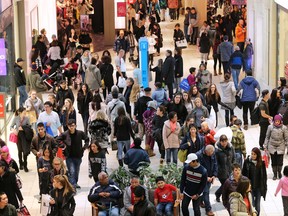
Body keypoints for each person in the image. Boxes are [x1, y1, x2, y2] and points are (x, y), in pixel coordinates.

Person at [56, 119, 89, 189]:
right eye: (70, 126)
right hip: (69, 156)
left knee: (76, 171)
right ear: (68, 126)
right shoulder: (65, 134)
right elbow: (57, 140)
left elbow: (87, 139)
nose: (71, 127)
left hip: (78, 155)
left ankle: (75, 183)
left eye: (73, 126)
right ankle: (72, 186)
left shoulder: (80, 133)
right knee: (72, 171)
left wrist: (84, 147)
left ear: (75, 126)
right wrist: (63, 146)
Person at [242, 147, 267, 215]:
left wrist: (264, 187)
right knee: (252, 205)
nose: (252, 155)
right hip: (250, 187)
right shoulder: (247, 162)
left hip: (258, 187)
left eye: (254, 154)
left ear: (258, 155)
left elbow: (264, 176)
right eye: (252, 154)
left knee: (258, 206)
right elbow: (243, 174)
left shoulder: (261, 163)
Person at [264, 114, 288, 180]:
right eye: (276, 121)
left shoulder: (284, 128)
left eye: (278, 121)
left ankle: (279, 172)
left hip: (281, 146)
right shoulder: (270, 127)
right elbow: (267, 137)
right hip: (272, 146)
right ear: (274, 121)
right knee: (273, 161)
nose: (277, 122)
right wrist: (265, 145)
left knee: (280, 161)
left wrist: (286, 145)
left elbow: (286, 138)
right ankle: (274, 174)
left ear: (280, 121)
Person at [196, 145, 218, 216]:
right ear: (206, 151)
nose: (212, 154)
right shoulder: (199, 155)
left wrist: (214, 175)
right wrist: (206, 177)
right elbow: (197, 168)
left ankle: (201, 201)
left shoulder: (212, 153)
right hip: (202, 178)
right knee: (206, 193)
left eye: (212, 153)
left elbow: (215, 164)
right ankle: (208, 209)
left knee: (205, 191)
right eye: (211, 153)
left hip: (210, 177)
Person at [10, 107, 32, 172]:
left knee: (25, 151)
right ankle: (20, 164)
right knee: (20, 150)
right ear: (20, 112)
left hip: (25, 136)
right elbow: (11, 126)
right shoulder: (16, 118)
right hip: (18, 136)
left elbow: (29, 126)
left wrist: (23, 128)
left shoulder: (27, 118)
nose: (25, 113)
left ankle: (25, 165)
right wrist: (14, 130)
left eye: (25, 111)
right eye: (24, 112)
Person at [215, 134, 236, 202]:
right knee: (226, 185)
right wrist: (219, 170)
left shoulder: (231, 148)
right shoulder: (217, 151)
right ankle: (224, 197)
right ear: (220, 142)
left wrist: (233, 166)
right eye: (222, 141)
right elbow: (216, 162)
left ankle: (218, 194)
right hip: (221, 172)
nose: (224, 143)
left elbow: (234, 157)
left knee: (226, 185)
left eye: (225, 141)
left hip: (229, 170)